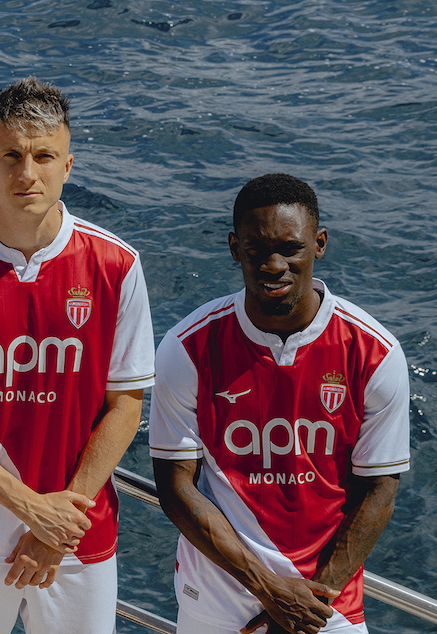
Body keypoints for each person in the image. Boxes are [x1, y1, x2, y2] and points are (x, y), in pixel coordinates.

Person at [0, 77, 156, 633]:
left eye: (43, 156)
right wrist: (31, 508)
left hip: (76, 533)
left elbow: (126, 405)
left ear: (68, 165)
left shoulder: (116, 266)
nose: (27, 173)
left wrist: (56, 527)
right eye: (11, 156)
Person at [150, 173, 410, 634]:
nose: (274, 265)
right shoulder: (186, 346)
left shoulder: (374, 352)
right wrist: (269, 589)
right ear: (235, 248)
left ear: (319, 244)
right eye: (256, 250)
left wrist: (311, 602)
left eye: (290, 249)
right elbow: (175, 486)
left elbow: (379, 491)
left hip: (326, 607)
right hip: (215, 603)